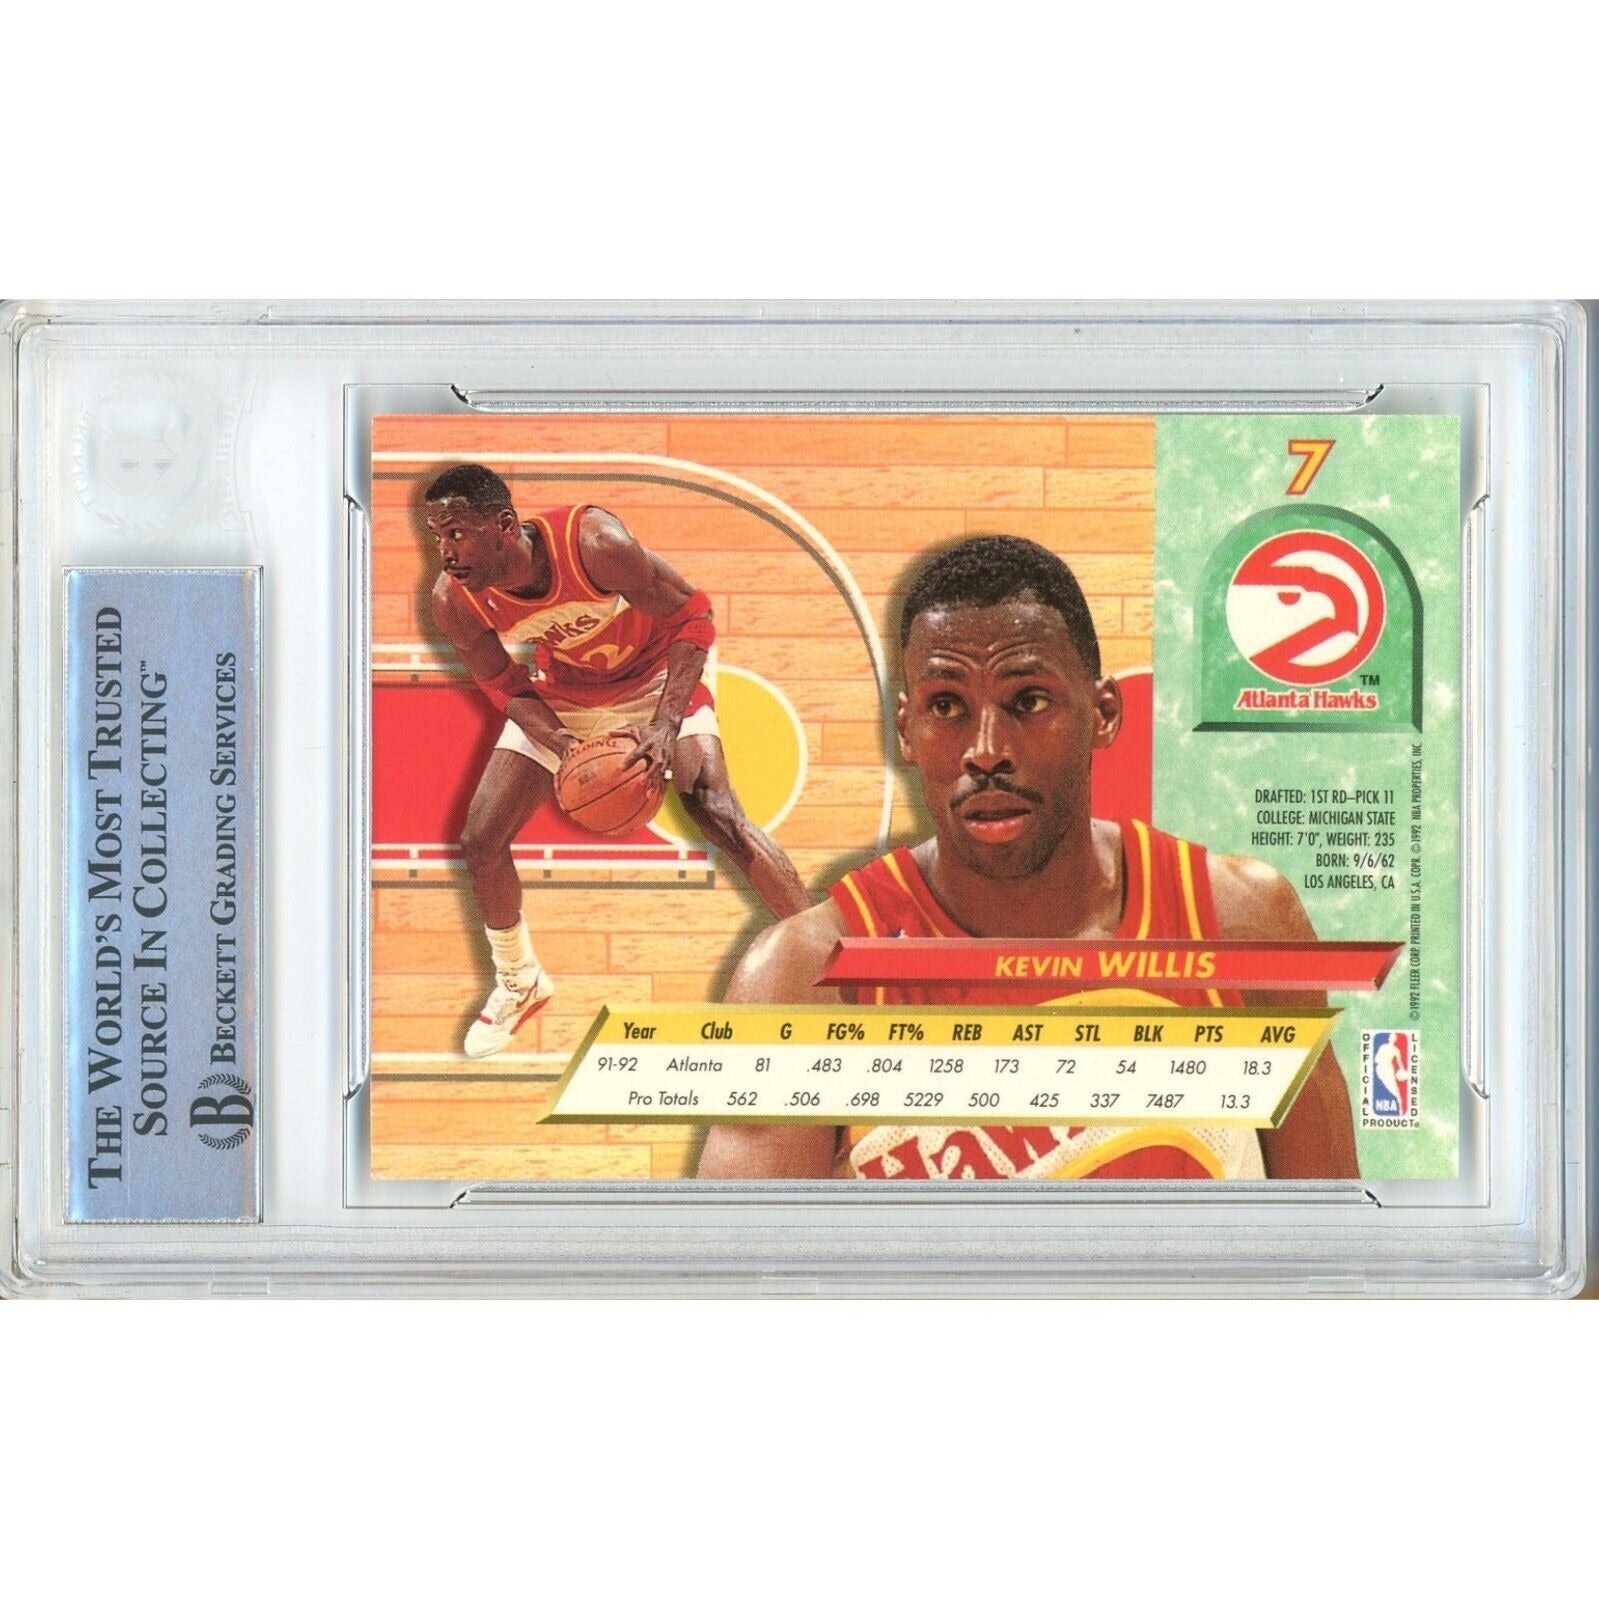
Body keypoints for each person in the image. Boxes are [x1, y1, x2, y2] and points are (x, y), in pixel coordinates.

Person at [697, 534, 1358, 1180]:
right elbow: (743, 1255)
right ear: (906, 730)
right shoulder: (802, 977)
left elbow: (1328, 1238)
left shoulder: (1238, 919)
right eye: (947, 706)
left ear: (1102, 712)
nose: (986, 749)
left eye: (1028, 701)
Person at [423, 464, 809, 1058]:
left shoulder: (594, 545)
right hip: (566, 692)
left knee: (713, 807)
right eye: (438, 537)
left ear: (503, 525)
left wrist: (665, 725)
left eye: (458, 534)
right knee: (481, 837)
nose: (447, 553)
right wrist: (566, 747)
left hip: (657, 675)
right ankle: (520, 981)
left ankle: (824, 957)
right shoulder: (456, 601)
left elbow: (694, 618)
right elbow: (504, 686)